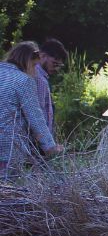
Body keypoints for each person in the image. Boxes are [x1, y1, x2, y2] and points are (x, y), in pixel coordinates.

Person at [0, 41, 62, 175]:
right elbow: (35, 117)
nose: (34, 72)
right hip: (8, 149)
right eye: (34, 65)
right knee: (9, 191)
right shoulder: (24, 80)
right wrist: (50, 147)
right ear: (27, 61)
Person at [35, 38, 67, 134]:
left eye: (59, 66)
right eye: (54, 63)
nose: (57, 69)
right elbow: (38, 115)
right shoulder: (38, 78)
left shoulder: (42, 77)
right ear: (42, 56)